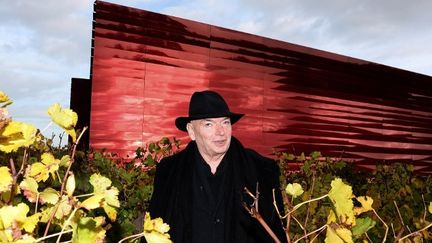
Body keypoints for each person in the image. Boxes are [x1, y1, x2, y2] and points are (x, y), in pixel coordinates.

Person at [148, 90, 286, 243]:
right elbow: (153, 231)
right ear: (192, 131)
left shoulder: (262, 170)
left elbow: (277, 233)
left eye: (225, 122)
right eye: (209, 124)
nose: (221, 132)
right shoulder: (169, 172)